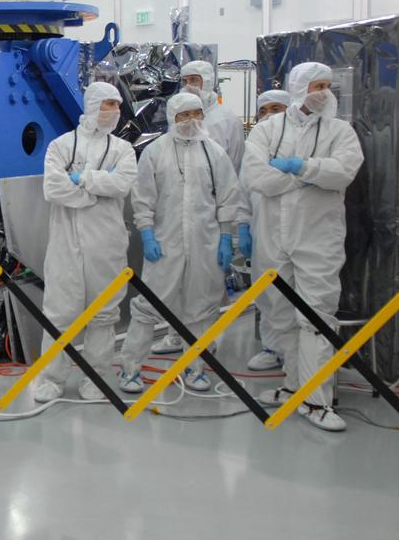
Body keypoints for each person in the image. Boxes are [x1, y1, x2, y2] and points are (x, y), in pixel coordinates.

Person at [242, 62, 364, 432]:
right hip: (273, 237)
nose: (323, 92)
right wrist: (311, 177)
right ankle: (293, 385)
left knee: (316, 315)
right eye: (316, 85)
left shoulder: (341, 130)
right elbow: (255, 176)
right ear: (298, 88)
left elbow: (344, 172)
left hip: (318, 237)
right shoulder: (267, 129)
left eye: (327, 85)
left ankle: (317, 400)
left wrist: (299, 167)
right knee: (278, 313)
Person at [117, 92, 250, 394]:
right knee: (149, 306)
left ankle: (195, 366)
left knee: (201, 307)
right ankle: (130, 369)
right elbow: (142, 198)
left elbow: (229, 197)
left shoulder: (214, 152)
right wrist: (147, 234)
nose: (191, 121)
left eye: (196, 114)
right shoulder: (156, 152)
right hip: (165, 243)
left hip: (206, 242)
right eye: (183, 115)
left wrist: (226, 238)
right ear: (172, 118)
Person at [32, 82, 139, 402]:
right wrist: (94, 191)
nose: (113, 111)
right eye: (107, 104)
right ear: (92, 105)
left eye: (117, 105)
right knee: (59, 313)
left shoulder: (123, 149)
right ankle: (51, 377)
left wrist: (83, 180)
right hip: (65, 242)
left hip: (106, 243)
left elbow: (122, 184)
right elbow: (53, 188)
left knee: (104, 314)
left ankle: (98, 376)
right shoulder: (61, 145)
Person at [245, 89, 290, 372]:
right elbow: (244, 187)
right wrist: (241, 227)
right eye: (265, 110)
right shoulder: (254, 145)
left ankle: (297, 354)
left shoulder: (299, 142)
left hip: (297, 228)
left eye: (277, 109)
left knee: (295, 293)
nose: (270, 115)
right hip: (261, 227)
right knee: (266, 292)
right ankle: (273, 348)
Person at [180, 60, 244, 170]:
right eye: (185, 81)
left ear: (207, 81)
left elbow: (236, 162)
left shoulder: (228, 119)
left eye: (194, 80)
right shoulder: (178, 117)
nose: (188, 86)